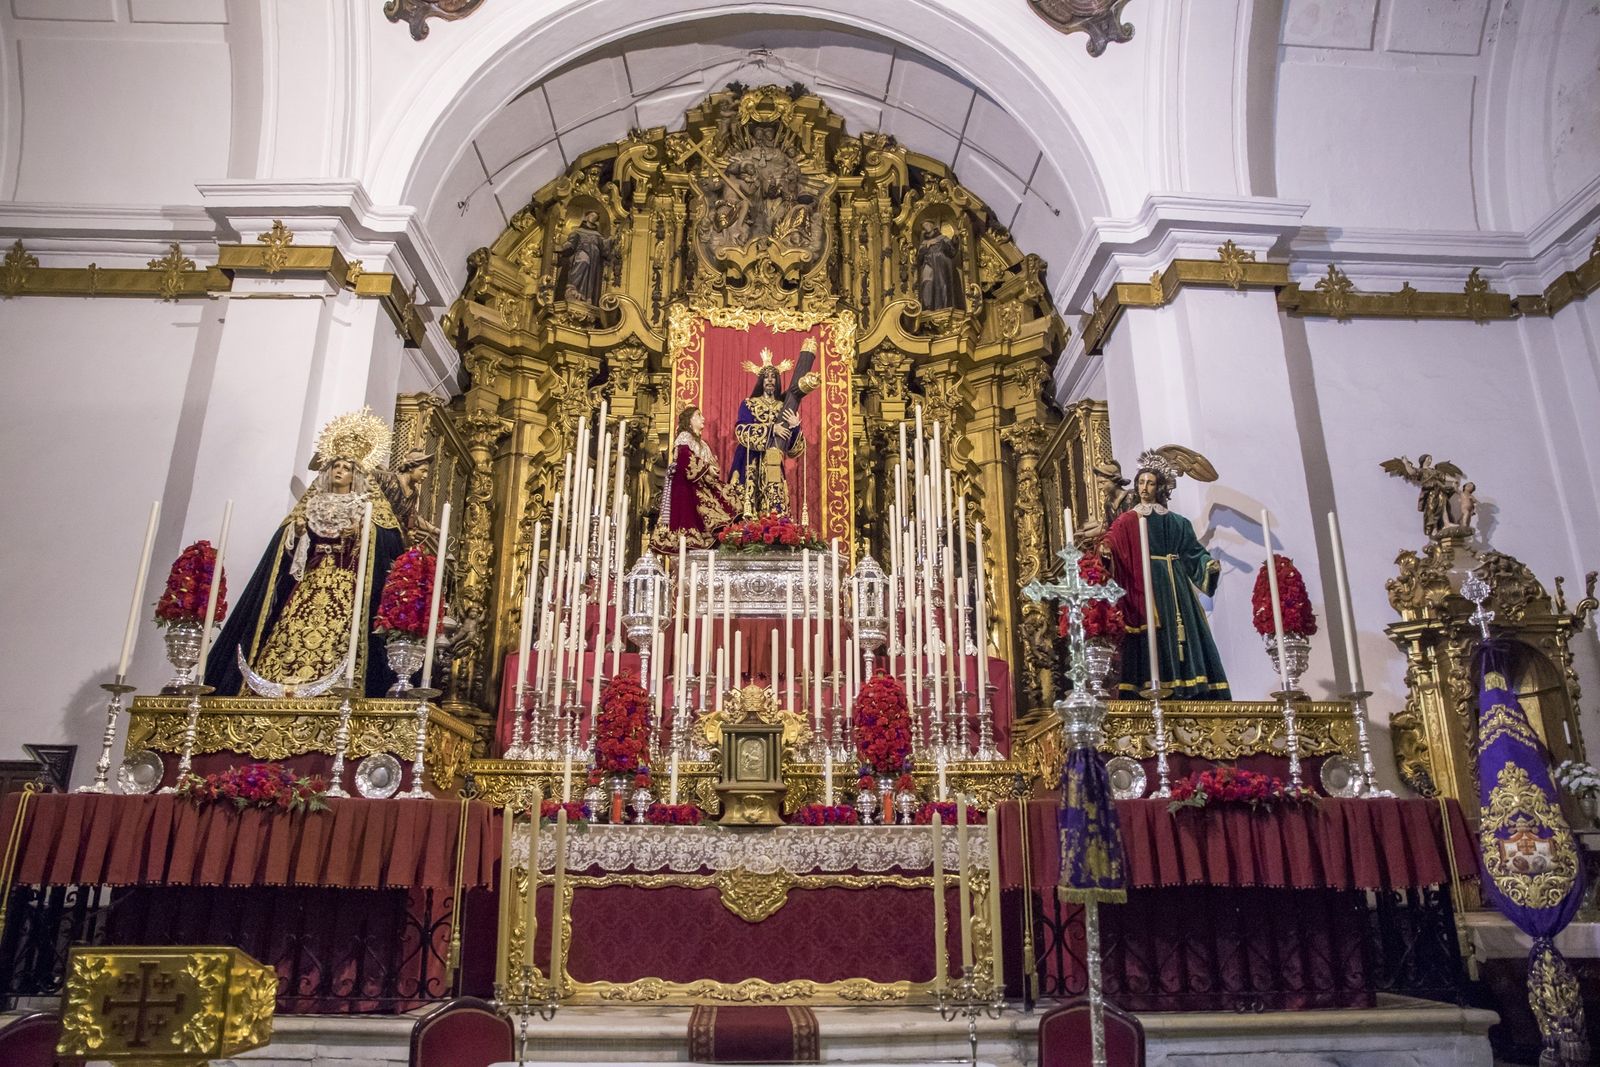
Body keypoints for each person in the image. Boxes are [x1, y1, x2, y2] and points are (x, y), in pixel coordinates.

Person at [205, 413, 405, 698]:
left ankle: (339, 689)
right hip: (309, 585)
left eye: (346, 467)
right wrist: (298, 534)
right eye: (335, 465)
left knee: (340, 638)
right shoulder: (312, 505)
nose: (339, 471)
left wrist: (362, 533)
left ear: (356, 475)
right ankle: (280, 688)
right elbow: (283, 553)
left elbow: (388, 544)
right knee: (289, 633)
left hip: (347, 590)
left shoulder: (366, 507)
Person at [1102, 466, 1231, 701]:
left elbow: (1192, 552)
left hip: (1174, 583)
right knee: (1150, 632)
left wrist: (1207, 565)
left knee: (1182, 632)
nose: (1144, 488)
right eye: (1141, 482)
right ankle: (1149, 686)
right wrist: (1106, 551)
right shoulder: (1128, 519)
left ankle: (1189, 687)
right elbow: (1112, 540)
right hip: (1143, 583)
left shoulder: (1178, 523)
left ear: (1158, 487)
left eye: (1150, 483)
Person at [652, 406, 738, 551]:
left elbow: (711, 464)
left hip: (700, 485)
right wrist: (707, 468)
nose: (703, 418)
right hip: (687, 488)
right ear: (690, 420)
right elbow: (685, 458)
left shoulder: (703, 444)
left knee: (729, 501)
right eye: (699, 415)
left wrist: (713, 469)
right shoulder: (685, 437)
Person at [728, 356, 806, 517]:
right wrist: (771, 429)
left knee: (775, 503)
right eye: (766, 377)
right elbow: (742, 430)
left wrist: (795, 427)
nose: (770, 380)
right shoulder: (749, 404)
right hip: (750, 460)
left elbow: (791, 449)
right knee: (747, 502)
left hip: (773, 461)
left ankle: (776, 532)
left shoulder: (783, 407)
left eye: (773, 377)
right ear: (761, 381)